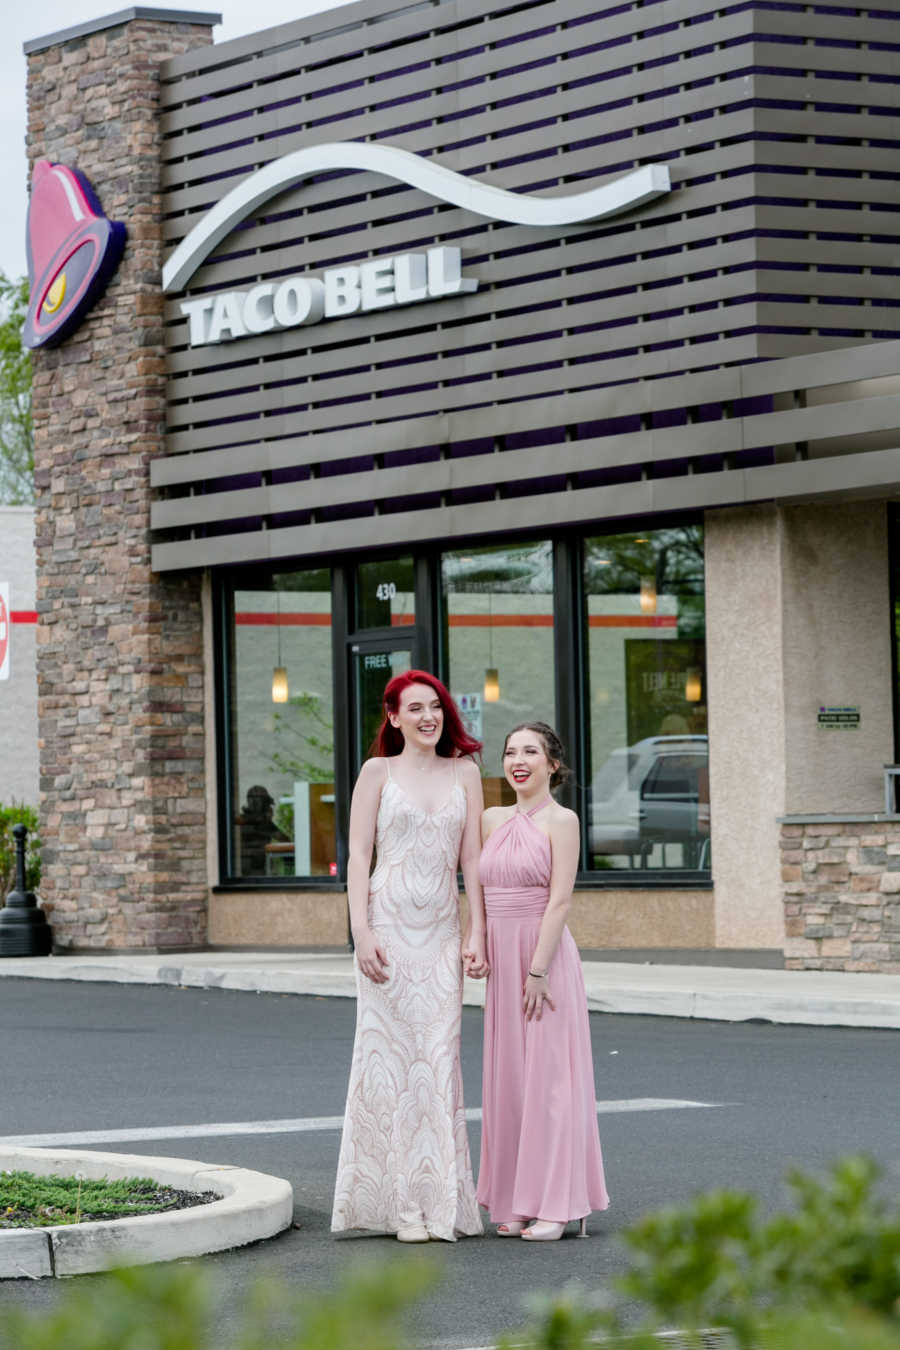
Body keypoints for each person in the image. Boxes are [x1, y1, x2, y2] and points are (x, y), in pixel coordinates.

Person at [331, 670, 488, 1242]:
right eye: (415, 708)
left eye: (437, 708)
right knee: (390, 1065)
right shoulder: (377, 772)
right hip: (388, 932)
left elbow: (473, 862)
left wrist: (478, 934)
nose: (429, 717)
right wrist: (361, 930)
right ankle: (399, 1204)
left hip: (443, 933)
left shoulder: (466, 773)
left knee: (439, 1062)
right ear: (393, 717)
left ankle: (439, 1199)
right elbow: (357, 856)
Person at [477, 722, 610, 1241]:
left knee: (550, 1082)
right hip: (501, 958)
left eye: (530, 751)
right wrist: (478, 942)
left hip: (544, 957)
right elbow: (478, 889)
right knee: (509, 1081)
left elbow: (559, 900)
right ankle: (514, 1199)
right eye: (510, 752)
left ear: (552, 764)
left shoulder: (563, 820)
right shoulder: (489, 819)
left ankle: (559, 1204)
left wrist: (537, 969)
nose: (518, 760)